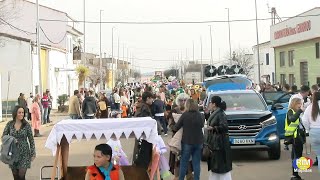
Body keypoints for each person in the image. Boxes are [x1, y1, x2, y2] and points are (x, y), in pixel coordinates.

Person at [2, 106, 36, 180]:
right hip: (13, 152)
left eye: (22, 113)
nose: (21, 114)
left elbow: (31, 139)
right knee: (16, 176)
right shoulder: (10, 124)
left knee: (21, 175)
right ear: (15, 113)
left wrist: (33, 152)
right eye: (19, 112)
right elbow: (3, 137)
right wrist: (12, 139)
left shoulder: (26, 125)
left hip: (24, 153)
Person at [173, 99, 204, 180]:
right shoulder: (200, 115)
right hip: (198, 141)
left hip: (187, 141)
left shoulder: (185, 115)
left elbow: (176, 127)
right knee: (196, 163)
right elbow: (202, 125)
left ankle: (181, 179)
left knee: (184, 163)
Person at [207, 96, 232, 180]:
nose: (209, 104)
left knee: (221, 166)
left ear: (214, 104)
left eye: (210, 102)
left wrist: (213, 128)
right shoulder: (215, 113)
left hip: (220, 144)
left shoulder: (220, 113)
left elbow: (224, 127)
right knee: (215, 165)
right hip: (215, 143)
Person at [285, 98, 306, 180]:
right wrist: (300, 111)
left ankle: (295, 175)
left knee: (297, 156)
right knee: (296, 156)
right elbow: (292, 119)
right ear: (294, 104)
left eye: (301, 104)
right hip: (294, 137)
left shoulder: (295, 112)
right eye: (299, 104)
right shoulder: (291, 111)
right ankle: (295, 175)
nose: (300, 106)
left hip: (298, 137)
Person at [302, 92, 320, 171]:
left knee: (319, 156)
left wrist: (308, 129)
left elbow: (304, 120)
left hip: (313, 133)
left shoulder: (309, 107)